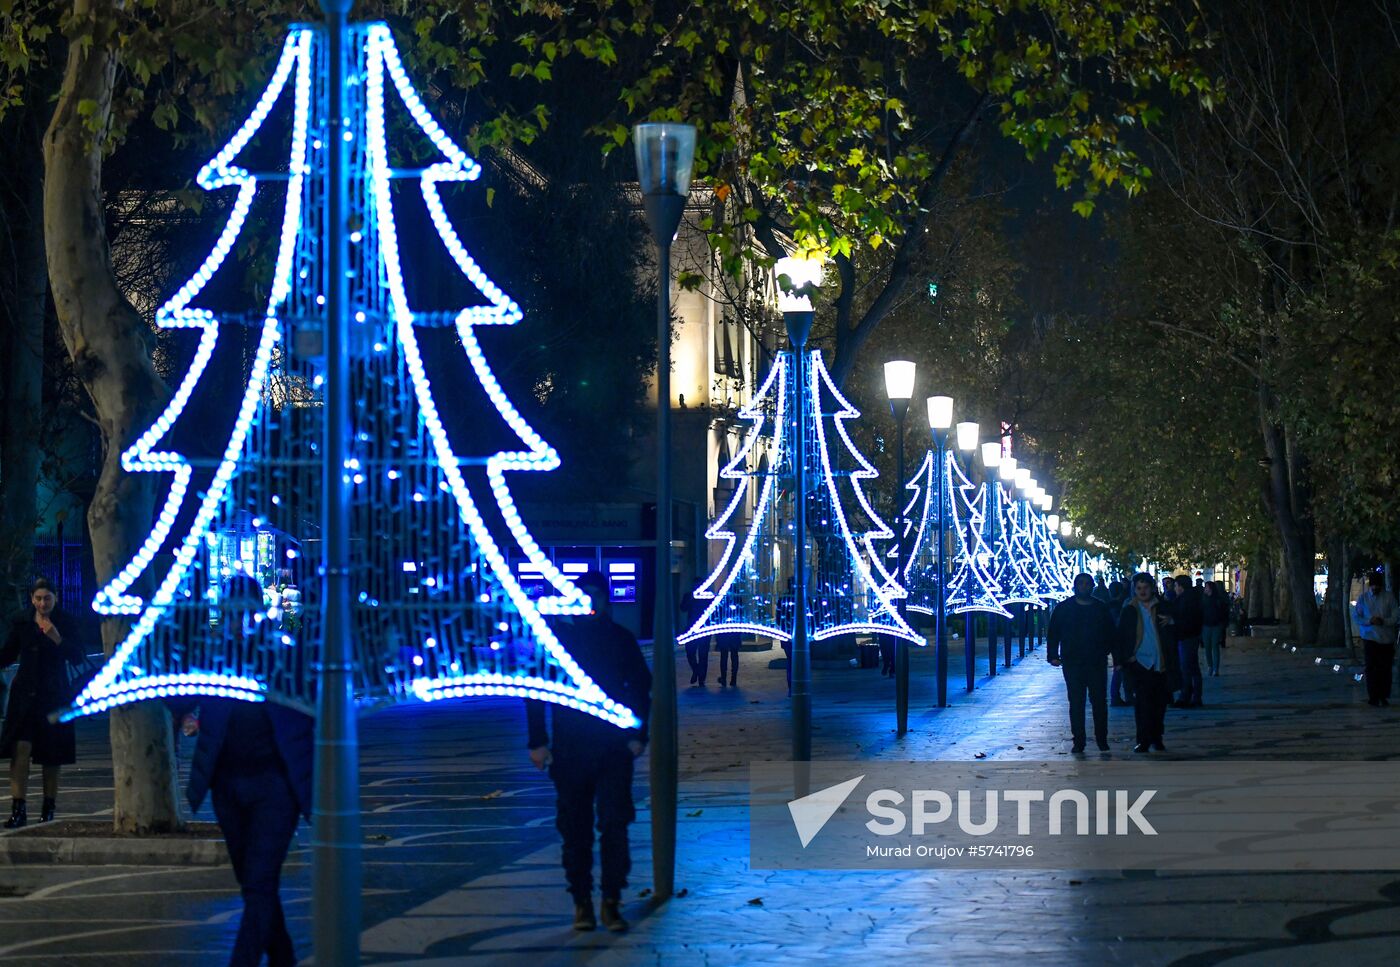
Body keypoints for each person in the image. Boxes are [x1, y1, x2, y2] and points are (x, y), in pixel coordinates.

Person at [181, 574, 313, 967]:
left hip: (276, 785)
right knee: (255, 885)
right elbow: (181, 696)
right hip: (227, 787)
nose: (238, 617)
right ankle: (284, 957)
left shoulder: (280, 652)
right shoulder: (214, 655)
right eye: (231, 610)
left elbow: (304, 659)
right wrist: (187, 715)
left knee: (258, 883)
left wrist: (291, 605)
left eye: (245, 609)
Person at [528, 570, 651, 933]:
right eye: (584, 595)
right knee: (575, 828)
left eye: (596, 595)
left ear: (605, 599)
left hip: (613, 748)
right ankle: (582, 901)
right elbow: (535, 690)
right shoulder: (557, 641)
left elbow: (641, 687)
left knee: (614, 823)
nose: (590, 602)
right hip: (571, 749)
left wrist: (637, 734)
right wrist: (537, 741)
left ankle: (611, 899)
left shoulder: (619, 639)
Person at [1, 578, 85, 828]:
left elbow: (78, 657)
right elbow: (7, 654)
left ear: (55, 597)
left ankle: (49, 806)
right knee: (20, 750)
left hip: (54, 695)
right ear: (31, 599)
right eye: (38, 598)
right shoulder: (22, 621)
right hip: (24, 696)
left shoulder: (66, 622)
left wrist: (57, 638)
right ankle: (19, 809)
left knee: (52, 754)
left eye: (47, 598)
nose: (42, 603)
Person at [1046, 573, 1117, 753]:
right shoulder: (1064, 608)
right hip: (1073, 661)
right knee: (1076, 702)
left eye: (1087, 584)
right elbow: (1054, 632)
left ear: (1092, 586)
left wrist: (1112, 653)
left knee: (1099, 701)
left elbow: (1111, 633)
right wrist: (1053, 654)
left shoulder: (1100, 608)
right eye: (1081, 584)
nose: (1084, 587)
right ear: (1075, 586)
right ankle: (1079, 741)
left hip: (1096, 661)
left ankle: (1101, 739)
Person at [1115, 572, 1180, 753]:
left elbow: (1183, 626)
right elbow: (1121, 635)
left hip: (1160, 662)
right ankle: (1143, 740)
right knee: (1142, 704)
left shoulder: (1163, 607)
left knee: (1159, 704)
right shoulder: (1129, 610)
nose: (1142, 592)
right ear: (1134, 590)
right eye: (1138, 588)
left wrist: (1173, 621)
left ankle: (1156, 737)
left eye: (1145, 588)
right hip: (1139, 663)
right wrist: (1125, 658)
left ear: (1152, 588)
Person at [1353, 571, 1397, 707]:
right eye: (1373, 586)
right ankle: (1373, 696)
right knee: (1371, 668)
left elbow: (1396, 616)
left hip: (1386, 639)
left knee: (1385, 668)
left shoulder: (1389, 598)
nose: (1375, 589)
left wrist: (1384, 621)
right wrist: (1369, 621)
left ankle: (1383, 695)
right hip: (1370, 637)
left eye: (1378, 586)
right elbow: (1357, 617)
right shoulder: (1363, 598)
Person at [1171, 574, 1204, 707]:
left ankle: (1186, 696)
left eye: (1175, 586)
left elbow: (1187, 620)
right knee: (1192, 667)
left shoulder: (1186, 600)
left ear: (1181, 586)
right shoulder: (1192, 598)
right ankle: (1195, 697)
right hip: (1191, 636)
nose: (1174, 589)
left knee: (1186, 668)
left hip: (1187, 637)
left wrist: (1174, 621)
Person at [1106, 580, 1134, 706]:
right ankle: (1122, 696)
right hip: (1121, 640)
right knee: (1122, 668)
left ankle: (1117, 696)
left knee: (1120, 668)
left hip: (1114, 640)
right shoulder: (1120, 606)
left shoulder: (1108, 606)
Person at [683, 583, 711, 687]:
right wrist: (690, 599)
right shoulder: (689, 595)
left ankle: (701, 679)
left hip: (705, 629)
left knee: (703, 655)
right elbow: (683, 608)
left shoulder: (708, 596)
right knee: (690, 652)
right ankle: (696, 670)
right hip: (691, 629)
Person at [1201, 580, 1229, 676]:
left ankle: (1215, 668)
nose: (1205, 589)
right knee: (1207, 647)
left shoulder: (1218, 600)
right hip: (1206, 625)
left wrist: (1223, 624)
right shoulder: (1203, 599)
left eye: (1207, 587)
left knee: (1215, 646)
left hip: (1216, 625)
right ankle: (1210, 666)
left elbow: (1224, 612)